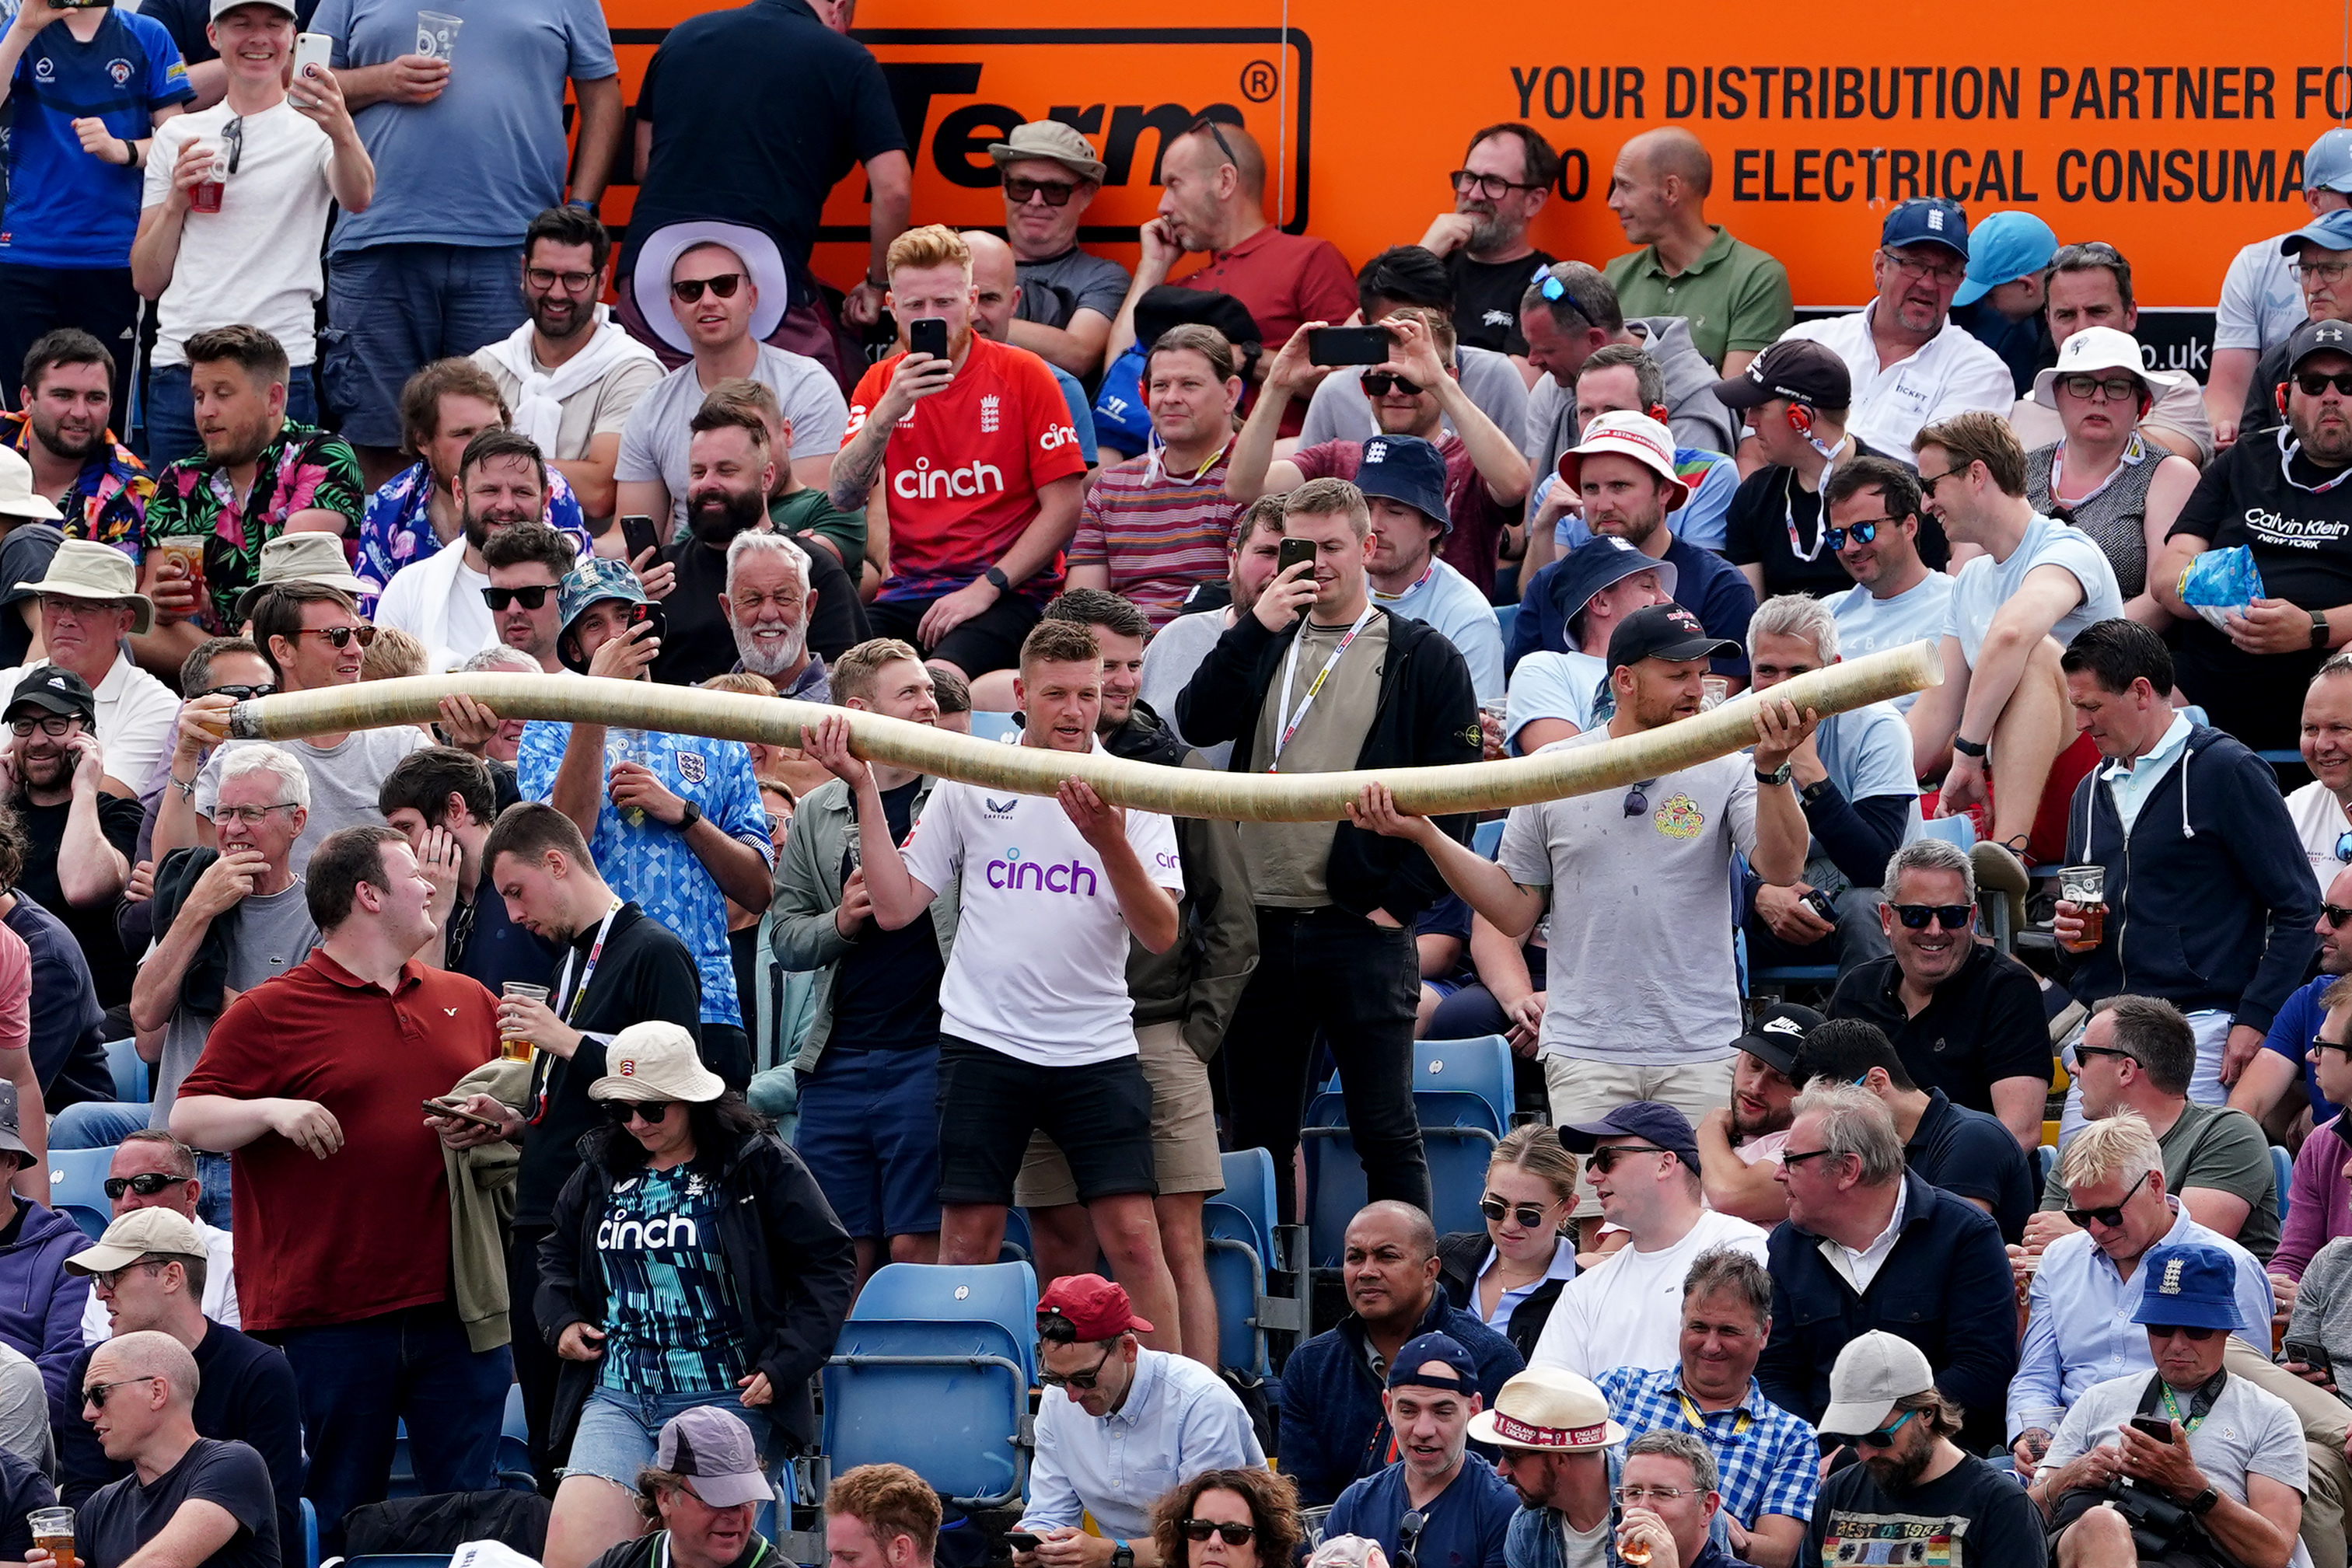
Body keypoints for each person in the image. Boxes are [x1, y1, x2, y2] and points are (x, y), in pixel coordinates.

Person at [804, 620, 1185, 1332]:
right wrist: (860, 785)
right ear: (1020, 693)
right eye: (1056, 694)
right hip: (984, 1044)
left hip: (1095, 1046)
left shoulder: (1135, 786)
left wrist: (1108, 840)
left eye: (1088, 693)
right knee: (967, 1241)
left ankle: (1173, 1420)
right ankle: (955, 1411)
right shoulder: (970, 776)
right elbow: (893, 909)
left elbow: (1159, 933)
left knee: (1133, 1237)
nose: (1074, 710)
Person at [1349, 602, 1812, 1146]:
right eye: (1677, 674)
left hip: (1700, 1047)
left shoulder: (1732, 765)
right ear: (1625, 680)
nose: (1697, 689)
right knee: (1597, 1222)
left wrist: (1773, 769)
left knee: (1698, 1224)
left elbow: (1783, 868)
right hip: (1586, 1048)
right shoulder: (1553, 768)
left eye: (1700, 674)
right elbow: (1513, 908)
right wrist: (1427, 834)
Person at [170, 825, 507, 1543]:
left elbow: (529, 1118)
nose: (429, 886)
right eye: (412, 872)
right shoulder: (270, 1009)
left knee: (470, 1515)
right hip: (335, 1312)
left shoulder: (470, 998)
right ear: (367, 893)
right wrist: (272, 1107)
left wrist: (501, 1123)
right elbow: (188, 1116)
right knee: (341, 1509)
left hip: (462, 1305)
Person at [1175, 477, 1480, 1218]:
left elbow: (1459, 792)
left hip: (1357, 924)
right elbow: (1196, 719)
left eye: (1331, 547)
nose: (1314, 565)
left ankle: (1413, 1298)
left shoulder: (1422, 654)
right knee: (1257, 1134)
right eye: (1293, 550)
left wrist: (1396, 904)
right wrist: (1253, 628)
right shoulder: (1262, 638)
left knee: (1382, 1128)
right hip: (1258, 924)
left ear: (1368, 548)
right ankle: (1272, 1312)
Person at [429, 801, 697, 1481]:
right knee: (551, 1432)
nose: (514, 915)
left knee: (593, 1435)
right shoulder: (570, 958)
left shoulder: (653, 950)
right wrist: (517, 1123)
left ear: (557, 862)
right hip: (545, 1218)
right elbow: (580, 1101)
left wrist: (564, 1040)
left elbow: (669, 1088)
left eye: (517, 892)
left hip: (610, 1227)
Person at [536, 1021, 852, 1568]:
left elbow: (828, 1263)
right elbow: (555, 1253)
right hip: (619, 1394)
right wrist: (560, 1318)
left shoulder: (756, 1160)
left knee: (712, 1556)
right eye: (621, 1110)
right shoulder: (601, 1168)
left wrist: (784, 1363)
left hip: (729, 1396)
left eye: (652, 1110)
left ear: (690, 1098)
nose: (636, 1123)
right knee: (571, 1558)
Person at [312, 0, 619, 486]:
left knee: (498, 446)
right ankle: (390, 558)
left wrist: (579, 210)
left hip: (509, 247)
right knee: (376, 439)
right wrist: (383, 80)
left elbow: (602, 99)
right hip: (379, 238)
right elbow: (304, 85)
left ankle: (490, 562)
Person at [518, 556, 773, 1088]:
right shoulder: (548, 729)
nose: (615, 634)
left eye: (625, 615)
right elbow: (560, 842)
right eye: (594, 623)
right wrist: (596, 702)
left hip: (708, 1000)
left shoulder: (709, 723)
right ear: (573, 649)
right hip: (598, 995)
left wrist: (684, 815)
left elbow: (757, 887)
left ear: (650, 623)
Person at [2054, 618, 2319, 1106]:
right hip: (2104, 1033)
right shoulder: (2087, 792)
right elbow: (2080, 939)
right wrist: (2069, 939)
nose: (2081, 724)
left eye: (2091, 706)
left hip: (2196, 1029)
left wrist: (2256, 1017)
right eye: (2077, 707)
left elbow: (2301, 909)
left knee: (2170, 1179)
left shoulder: (2228, 770)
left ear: (2140, 692)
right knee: (2078, 1179)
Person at [829, 226, 1084, 680]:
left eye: (945, 303)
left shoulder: (1024, 373)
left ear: (971, 300)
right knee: (844, 681)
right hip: (907, 591)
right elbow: (844, 495)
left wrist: (987, 588)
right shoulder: (879, 384)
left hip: (1011, 590)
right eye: (915, 306)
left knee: (938, 683)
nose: (932, 317)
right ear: (892, 307)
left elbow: (1065, 507)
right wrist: (888, 411)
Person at [774, 640, 948, 1293]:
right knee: (839, 1252)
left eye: (929, 690)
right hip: (837, 1061)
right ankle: (838, 1393)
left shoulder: (959, 792)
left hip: (930, 1051)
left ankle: (906, 1387)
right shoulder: (816, 811)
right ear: (857, 711)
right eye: (910, 693)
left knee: (913, 1244)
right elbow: (786, 937)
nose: (929, 705)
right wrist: (841, 922)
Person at [617, 0, 909, 388]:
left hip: (653, 271)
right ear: (838, 8)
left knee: (648, 417)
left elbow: (643, 166)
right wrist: (877, 285)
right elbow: (894, 190)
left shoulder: (681, 37)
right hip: (762, 269)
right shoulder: (847, 58)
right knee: (820, 416)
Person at [131, 0, 369, 468]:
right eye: (241, 24)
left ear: (293, 38)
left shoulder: (317, 131)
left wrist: (342, 129)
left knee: (279, 536)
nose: (259, 38)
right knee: (178, 536)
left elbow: (359, 197)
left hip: (279, 365)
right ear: (214, 36)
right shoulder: (179, 133)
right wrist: (178, 200)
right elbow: (146, 278)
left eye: (273, 25)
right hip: (185, 367)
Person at [1905, 410, 2123, 858]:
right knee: (1886, 827)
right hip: (2001, 785)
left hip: (2097, 783)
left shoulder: (2067, 549)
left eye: (1930, 487)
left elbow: (2011, 635)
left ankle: (2008, 856)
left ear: (1976, 474)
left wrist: (1966, 753)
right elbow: (1933, 713)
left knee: (2037, 653)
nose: (1925, 505)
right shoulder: (1969, 580)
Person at [1756, 1083, 2018, 1453]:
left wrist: (1870, 1446)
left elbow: (1981, 1370)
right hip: (1815, 1463)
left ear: (1848, 1169)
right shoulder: (1786, 1247)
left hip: (1938, 1465)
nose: (1778, 1175)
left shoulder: (1965, 1235)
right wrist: (1805, 1454)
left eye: (1792, 1160)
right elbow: (1775, 1372)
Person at [2007, 1112, 2274, 1470]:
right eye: (2081, 1218)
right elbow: (2036, 1374)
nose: (2097, 1229)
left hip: (2177, 1459)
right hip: (2065, 1453)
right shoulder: (2060, 1259)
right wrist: (2033, 1435)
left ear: (2156, 1186)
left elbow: (2249, 1396)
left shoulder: (2229, 1266)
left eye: (2110, 1214)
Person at [116, 746, 317, 1207]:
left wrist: (208, 993)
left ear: (297, 822)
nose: (233, 828)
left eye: (251, 812)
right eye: (223, 812)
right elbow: (146, 1018)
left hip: (256, 1162)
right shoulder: (191, 892)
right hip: (171, 1159)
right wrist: (198, 909)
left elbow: (294, 1043)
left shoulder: (318, 915)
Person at [1232, 312, 1529, 619]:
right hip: (1339, 634)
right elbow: (1244, 486)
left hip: (1446, 630)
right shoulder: (1340, 457)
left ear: (1448, 376)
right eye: (1379, 381)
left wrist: (1441, 384)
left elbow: (1516, 484)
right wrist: (1277, 386)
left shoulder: (1471, 460)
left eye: (1410, 381)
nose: (1394, 393)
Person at [2029, 1242, 2305, 1568]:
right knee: (2102, 1524)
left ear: (2226, 1330)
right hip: (2082, 1545)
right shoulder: (2099, 1399)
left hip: (2191, 1556)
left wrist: (2192, 1487)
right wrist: (2071, 1475)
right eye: (2160, 1328)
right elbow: (2020, 1517)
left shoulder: (2270, 1416)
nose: (2176, 1344)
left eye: (2196, 1330)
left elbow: (2273, 1553)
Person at [55, 1207, 301, 1568]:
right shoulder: (93, 1370)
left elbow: (276, 1518)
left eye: (113, 1276)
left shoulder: (258, 1373)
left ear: (172, 1277)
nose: (101, 1294)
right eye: (97, 1279)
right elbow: (84, 1502)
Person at [2154, 317, 2352, 753]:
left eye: (2348, 384)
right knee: (2112, 696)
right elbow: (2169, 574)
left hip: (2330, 683)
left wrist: (2312, 629)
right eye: (2315, 384)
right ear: (2287, 397)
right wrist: (2232, 608)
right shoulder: (2246, 459)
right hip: (2210, 672)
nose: (2332, 397)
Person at [1106, 119, 1356, 436]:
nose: (1162, 206)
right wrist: (1152, 269)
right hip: (1180, 470)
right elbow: (1118, 379)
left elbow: (1350, 382)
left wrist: (1244, 358)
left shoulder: (1310, 259)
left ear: (1225, 181)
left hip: (1278, 470)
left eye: (1174, 184)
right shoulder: (1178, 290)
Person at [159, 581, 428, 875]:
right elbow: (176, 872)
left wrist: (471, 748)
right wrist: (183, 760)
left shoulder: (403, 745)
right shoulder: (240, 753)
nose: (355, 651)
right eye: (337, 637)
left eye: (361, 636)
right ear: (283, 650)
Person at [132, 326, 362, 666]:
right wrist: (162, 601)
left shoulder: (320, 454)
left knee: (301, 616)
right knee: (125, 623)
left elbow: (293, 572)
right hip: (209, 646)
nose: (205, 411)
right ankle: (234, 669)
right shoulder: (179, 478)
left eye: (222, 394)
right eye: (198, 396)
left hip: (301, 642)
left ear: (273, 399)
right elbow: (150, 601)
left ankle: (232, 670)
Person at [0, 0, 189, 409]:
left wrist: (122, 150)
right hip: (27, 252)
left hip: (111, 257)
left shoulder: (148, 34)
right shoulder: (24, 29)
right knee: (24, 415)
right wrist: (23, 28)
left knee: (102, 415)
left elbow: (177, 144)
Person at [1277, 1202, 1522, 1507]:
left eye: (1386, 1257)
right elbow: (1303, 1502)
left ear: (1430, 1271)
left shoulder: (1489, 1359)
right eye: (1355, 1257)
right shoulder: (1310, 1365)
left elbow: (1492, 1495)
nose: (1366, 1272)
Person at [1013, 1274, 1263, 1568]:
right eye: (1055, 1378)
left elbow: (1208, 1541)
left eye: (1085, 1378)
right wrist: (1038, 1542)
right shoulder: (1057, 1402)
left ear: (1128, 1349)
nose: (1072, 1394)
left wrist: (1112, 1554)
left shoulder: (1201, 1401)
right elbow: (1049, 1512)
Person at [617, 223, 847, 536]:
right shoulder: (652, 404)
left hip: (788, 563)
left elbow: (812, 514)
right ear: (674, 307)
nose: (708, 300)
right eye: (690, 290)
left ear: (751, 297)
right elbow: (631, 533)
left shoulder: (808, 385)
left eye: (723, 285)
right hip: (687, 572)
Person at [1596, 1250, 1816, 1568]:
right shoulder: (1620, 1389)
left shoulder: (1790, 1438)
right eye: (1698, 1327)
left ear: (1764, 1332)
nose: (1711, 1346)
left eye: (1728, 1331)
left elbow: (1780, 1553)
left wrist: (1702, 1517)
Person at [1736, 595, 1917, 980]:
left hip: (1865, 906)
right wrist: (1757, 895)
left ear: (1833, 670)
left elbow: (1877, 869)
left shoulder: (1877, 725)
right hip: (1765, 908)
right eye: (1767, 671)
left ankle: (1866, 1040)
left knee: (1868, 907)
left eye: (1798, 672)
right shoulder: (1727, 725)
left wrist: (1807, 770)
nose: (1780, 690)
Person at [1826, 836, 2050, 1144]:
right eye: (1916, 915)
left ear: (1971, 919)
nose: (1934, 930)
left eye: (1951, 916)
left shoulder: (2007, 990)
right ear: (1887, 919)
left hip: (1971, 1182)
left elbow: (2018, 1134)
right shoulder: (1857, 990)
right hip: (1865, 1178)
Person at [2029, 997, 2281, 1259]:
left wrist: (2075, 1234)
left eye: (2083, 1057)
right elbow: (2044, 1244)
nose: (2071, 1068)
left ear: (2126, 1070)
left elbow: (2187, 1250)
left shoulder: (2227, 1134)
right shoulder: (2082, 1147)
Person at [1527, 1104, 1767, 1374]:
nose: (1592, 1177)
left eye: (1607, 1159)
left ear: (1664, 1164)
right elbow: (1546, 1394)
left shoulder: (1743, 1247)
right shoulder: (1584, 1291)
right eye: (1591, 1164)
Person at [1770, 199, 2015, 458]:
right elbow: (1755, 451)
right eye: (1914, 265)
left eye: (1945, 271)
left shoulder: (1981, 372)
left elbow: (1942, 483)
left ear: (1960, 282)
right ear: (1880, 267)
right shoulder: (1806, 341)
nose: (1928, 284)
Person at [473, 206, 665, 526]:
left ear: (602, 281)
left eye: (575, 279)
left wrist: (489, 471)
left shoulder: (633, 370)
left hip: (589, 558)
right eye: (544, 275)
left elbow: (600, 491)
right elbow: (449, 467)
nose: (557, 293)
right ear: (524, 273)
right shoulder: (485, 366)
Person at [1538, 412, 1755, 686]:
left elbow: (1714, 706)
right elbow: (1514, 697)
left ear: (1665, 490)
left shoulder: (1720, 587)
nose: (1603, 505)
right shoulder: (1549, 583)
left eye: (1619, 486)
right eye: (1591, 488)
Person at [1289, 249, 1532, 487]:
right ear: (1365, 324)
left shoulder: (1496, 376)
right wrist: (1276, 387)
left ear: (1449, 317)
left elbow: (1521, 491)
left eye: (1419, 327)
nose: (1410, 342)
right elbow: (1296, 496)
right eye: (1392, 331)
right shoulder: (1334, 392)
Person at [357, 361, 589, 609]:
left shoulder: (546, 489)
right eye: (463, 434)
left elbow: (582, 596)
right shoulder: (390, 504)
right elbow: (370, 615)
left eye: (493, 430)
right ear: (423, 441)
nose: (484, 444)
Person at [1804, 1333, 2048, 1568]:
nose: (1864, 1454)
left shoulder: (2000, 1505)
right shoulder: (1838, 1495)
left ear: (1927, 1413)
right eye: (1849, 1438)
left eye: (1879, 1437)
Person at [648, 407, 849, 687]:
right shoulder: (660, 576)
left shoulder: (811, 566)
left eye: (726, 470)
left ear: (767, 477)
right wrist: (629, 607)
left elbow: (843, 684)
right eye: (698, 472)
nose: (708, 484)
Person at [1789, 1018, 2034, 1241]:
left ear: (1877, 1082)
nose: (1826, 1123)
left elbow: (1946, 1247)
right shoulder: (1869, 1151)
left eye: (1833, 1106)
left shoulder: (1973, 1139)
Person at [2018, 330, 2202, 628]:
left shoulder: (2169, 474)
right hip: (2009, 640)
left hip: (2114, 657)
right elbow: (1970, 571)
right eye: (2081, 384)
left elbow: (2160, 600)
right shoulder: (2021, 469)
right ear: (2057, 394)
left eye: (2117, 387)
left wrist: (2072, 649)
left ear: (2141, 405)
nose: (2099, 397)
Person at [1066, 325, 1244, 630]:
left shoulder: (1252, 484)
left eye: (1189, 385)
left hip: (1208, 652)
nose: (1171, 398)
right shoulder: (1110, 487)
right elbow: (1081, 610)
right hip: (1120, 659)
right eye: (1161, 386)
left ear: (1230, 394)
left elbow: (1246, 608)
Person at [1717, 341, 1917, 602]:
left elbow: (1924, 598)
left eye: (1760, 408)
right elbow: (1748, 612)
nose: (1750, 421)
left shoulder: (1902, 488)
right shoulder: (1753, 496)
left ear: (1802, 418)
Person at [374, 426, 585, 674]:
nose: (506, 505)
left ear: (546, 499)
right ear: (459, 493)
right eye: (490, 491)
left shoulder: (585, 587)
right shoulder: (408, 588)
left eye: (521, 492)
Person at [71, 1331, 278, 1568]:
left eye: (99, 1393)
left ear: (156, 1392)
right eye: (85, 1398)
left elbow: (166, 1561)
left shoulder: (235, 1465)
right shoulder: (100, 1507)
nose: (88, 1413)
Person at [1518, 263, 1739, 480]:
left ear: (1595, 339)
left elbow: (1683, 510)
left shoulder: (1694, 400)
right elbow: (1537, 503)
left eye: (1547, 350)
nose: (1532, 361)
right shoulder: (1553, 386)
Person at [0, 540, 176, 811]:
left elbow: (99, 801)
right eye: (56, 603)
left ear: (124, 623)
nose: (65, 618)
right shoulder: (5, 684)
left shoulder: (155, 706)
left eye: (85, 606)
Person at [1602, 128, 1792, 377]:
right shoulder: (1615, 276)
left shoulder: (1756, 278)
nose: (1613, 202)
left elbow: (1733, 406)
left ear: (1671, 191)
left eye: (1626, 186)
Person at [2, 665, 141, 1004]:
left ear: (88, 735)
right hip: (11, 1001)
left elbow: (82, 889)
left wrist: (85, 791)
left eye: (55, 724)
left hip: (92, 1012)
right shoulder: (5, 812)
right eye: (24, 725)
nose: (37, 740)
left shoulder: (118, 815)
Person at [2208, 127, 2352, 449]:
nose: (2316, 284)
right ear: (2315, 199)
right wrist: (2227, 431)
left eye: (2331, 270)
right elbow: (2230, 396)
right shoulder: (2257, 266)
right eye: (2307, 270)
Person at [2008, 243, 2215, 466]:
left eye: (2098, 312)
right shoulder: (2020, 415)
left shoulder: (2173, 391)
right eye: (2066, 315)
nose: (2083, 328)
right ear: (2049, 322)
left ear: (2131, 315)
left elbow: (2163, 470)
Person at [1323, 1332, 1518, 1568]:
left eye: (1442, 1412)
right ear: (1389, 1407)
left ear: (1473, 1409)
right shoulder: (1354, 1506)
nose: (1423, 1430)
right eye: (1408, 1411)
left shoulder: (1502, 1510)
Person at [1533, 344, 1739, 566]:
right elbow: (1542, 596)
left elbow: (1697, 582)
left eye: (1613, 411)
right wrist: (1542, 530)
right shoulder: (1558, 487)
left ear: (1657, 416)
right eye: (1586, 412)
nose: (1598, 424)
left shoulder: (1710, 474)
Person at [378, 745, 554, 988]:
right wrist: (434, 917)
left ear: (455, 809)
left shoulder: (533, 882)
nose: (405, 846)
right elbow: (415, 1006)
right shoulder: (418, 900)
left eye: (407, 828)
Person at [1136, 494, 1284, 763]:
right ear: (1234, 561)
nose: (1277, 571)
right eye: (1267, 553)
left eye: (1290, 555)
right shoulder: (1176, 636)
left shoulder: (1321, 648)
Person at [985, 121, 1127, 382]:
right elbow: (902, 354)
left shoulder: (1103, 276)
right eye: (1023, 186)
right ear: (1004, 186)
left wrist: (963, 321)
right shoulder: (962, 263)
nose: (1035, 201)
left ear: (1086, 195)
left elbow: (1078, 354)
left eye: (1055, 190)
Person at [6, 331, 154, 579]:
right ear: (28, 400)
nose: (80, 412)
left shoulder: (130, 489)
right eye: (63, 395)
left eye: (95, 398)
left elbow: (116, 598)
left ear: (110, 405)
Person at [1499, 534, 1672, 735]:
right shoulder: (1545, 670)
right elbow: (1561, 763)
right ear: (1600, 603)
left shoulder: (1680, 669)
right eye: (1648, 586)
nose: (1668, 600)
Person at [69, 1135, 236, 1339]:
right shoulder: (103, 1278)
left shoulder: (234, 1262)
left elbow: (234, 1364)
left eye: (145, 1184)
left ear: (190, 1194)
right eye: (116, 1188)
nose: (127, 1202)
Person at [963, 230, 1101, 475]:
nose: (974, 315)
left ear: (1014, 302)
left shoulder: (1058, 388)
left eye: (988, 299)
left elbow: (1066, 506)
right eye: (962, 298)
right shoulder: (901, 385)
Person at [1435, 1126, 1579, 1360]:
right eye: (1495, 1208)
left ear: (1567, 1208)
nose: (1509, 1225)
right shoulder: (1447, 1258)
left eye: (1528, 1214)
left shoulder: (1582, 1290)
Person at [1418, 124, 1560, 358]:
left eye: (1494, 183)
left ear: (1533, 201)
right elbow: (1348, 350)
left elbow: (1513, 389)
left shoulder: (1546, 284)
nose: (1474, 194)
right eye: (1469, 178)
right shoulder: (1432, 261)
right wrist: (1420, 258)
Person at [578, 1406, 782, 1568]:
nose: (736, 1515)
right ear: (665, 1497)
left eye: (746, 1499)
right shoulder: (622, 1562)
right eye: (717, 1498)